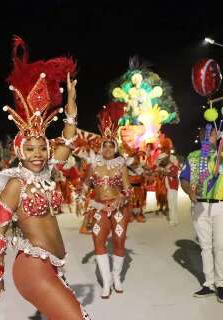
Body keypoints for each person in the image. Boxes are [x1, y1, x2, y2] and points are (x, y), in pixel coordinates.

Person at [0, 36, 90, 319]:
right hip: (32, 267)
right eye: (30, 148)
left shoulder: (48, 172)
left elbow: (67, 141)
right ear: (19, 150)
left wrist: (72, 102)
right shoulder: (16, 184)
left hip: (54, 265)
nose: (39, 153)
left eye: (42, 146)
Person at [84, 104, 131, 298]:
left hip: (119, 208)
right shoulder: (93, 166)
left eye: (112, 145)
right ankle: (106, 282)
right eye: (105, 145)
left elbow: (128, 189)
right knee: (98, 242)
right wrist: (83, 196)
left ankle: (116, 276)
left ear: (116, 148)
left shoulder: (121, 165)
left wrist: (120, 198)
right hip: (99, 209)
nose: (109, 149)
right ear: (101, 147)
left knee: (119, 241)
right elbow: (85, 186)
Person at [180, 124, 223, 303]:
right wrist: (189, 191)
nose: (209, 137)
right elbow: (184, 178)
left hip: (220, 206)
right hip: (199, 206)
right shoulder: (194, 157)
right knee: (205, 247)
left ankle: (221, 284)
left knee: (220, 245)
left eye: (212, 133)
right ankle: (209, 283)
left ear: (217, 134)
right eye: (206, 134)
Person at [157, 153, 179, 226]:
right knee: (172, 204)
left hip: (172, 188)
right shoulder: (167, 168)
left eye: (162, 161)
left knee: (172, 205)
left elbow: (174, 174)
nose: (161, 163)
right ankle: (175, 219)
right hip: (169, 188)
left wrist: (165, 172)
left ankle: (173, 220)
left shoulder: (173, 167)